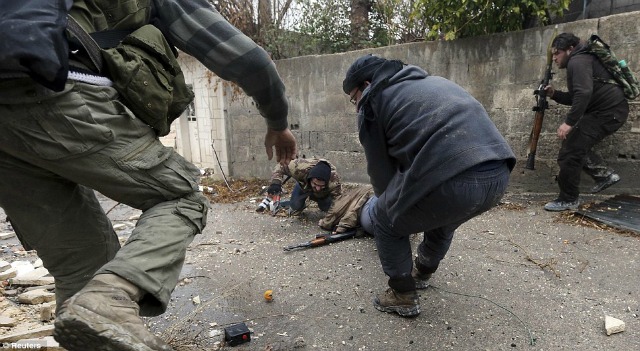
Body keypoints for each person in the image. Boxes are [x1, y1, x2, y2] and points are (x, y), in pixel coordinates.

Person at [0, 1, 296, 350]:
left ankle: (101, 309)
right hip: (53, 92)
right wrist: (277, 122)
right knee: (180, 194)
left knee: (85, 266)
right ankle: (109, 301)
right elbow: (247, 60)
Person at [342, 54, 515, 317]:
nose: (356, 106)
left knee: (385, 219)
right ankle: (422, 271)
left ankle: (402, 294)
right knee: (440, 214)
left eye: (354, 98)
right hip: (499, 174)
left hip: (454, 177)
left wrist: (390, 209)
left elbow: (381, 173)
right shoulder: (432, 82)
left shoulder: (373, 100)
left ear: (366, 84)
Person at [543, 32, 628, 212]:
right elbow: (577, 97)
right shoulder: (581, 60)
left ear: (570, 49)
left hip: (607, 112)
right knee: (574, 147)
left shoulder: (578, 61)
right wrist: (554, 94)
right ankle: (604, 175)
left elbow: (583, 94)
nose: (555, 58)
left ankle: (568, 199)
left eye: (557, 53)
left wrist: (569, 122)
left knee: (569, 152)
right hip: (610, 111)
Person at [264, 158, 342, 218]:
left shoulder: (334, 182)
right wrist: (276, 182)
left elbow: (339, 203)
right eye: (315, 184)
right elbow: (281, 165)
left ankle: (322, 200)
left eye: (321, 185)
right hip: (304, 187)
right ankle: (289, 203)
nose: (318, 188)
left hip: (324, 194)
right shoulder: (300, 168)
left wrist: (329, 221)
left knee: (326, 208)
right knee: (295, 206)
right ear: (310, 178)